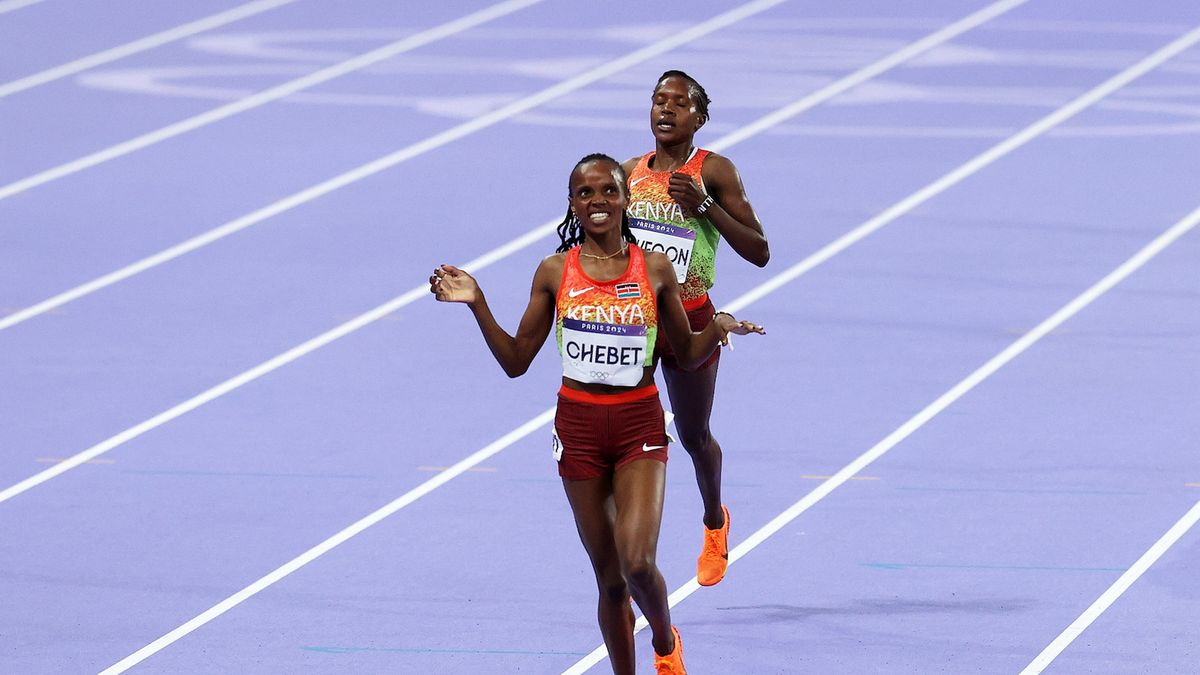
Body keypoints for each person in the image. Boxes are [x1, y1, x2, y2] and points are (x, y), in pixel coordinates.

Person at [430, 153, 763, 675]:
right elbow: (517, 362)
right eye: (585, 194)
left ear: (626, 197)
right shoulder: (553, 272)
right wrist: (478, 303)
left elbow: (687, 351)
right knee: (609, 581)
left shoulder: (654, 270)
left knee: (637, 564)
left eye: (608, 191)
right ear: (572, 205)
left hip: (638, 428)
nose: (598, 202)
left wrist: (717, 327)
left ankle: (662, 640)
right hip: (579, 432)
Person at [622, 70, 770, 587]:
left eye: (678, 103)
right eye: (658, 100)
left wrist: (703, 206)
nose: (665, 110)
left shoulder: (715, 171)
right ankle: (633, 543)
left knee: (692, 434)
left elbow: (759, 251)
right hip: (635, 324)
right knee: (626, 433)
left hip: (694, 320)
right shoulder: (626, 174)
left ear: (698, 119)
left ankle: (714, 521)